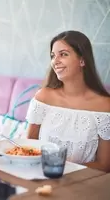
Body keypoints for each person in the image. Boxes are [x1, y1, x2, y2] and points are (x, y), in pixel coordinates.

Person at [26, 30, 110, 172]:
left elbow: (104, 165)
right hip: (41, 177)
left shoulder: (105, 106)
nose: (55, 61)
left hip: (82, 184)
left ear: (82, 60)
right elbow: (29, 147)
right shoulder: (43, 98)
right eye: (53, 56)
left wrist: (62, 169)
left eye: (63, 54)